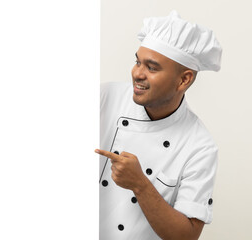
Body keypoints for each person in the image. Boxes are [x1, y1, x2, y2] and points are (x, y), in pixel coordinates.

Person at [95, 10, 222, 240]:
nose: (137, 74)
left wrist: (140, 185)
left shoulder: (200, 146)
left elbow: (186, 236)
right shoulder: (103, 98)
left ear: (184, 79)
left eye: (151, 68)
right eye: (137, 62)